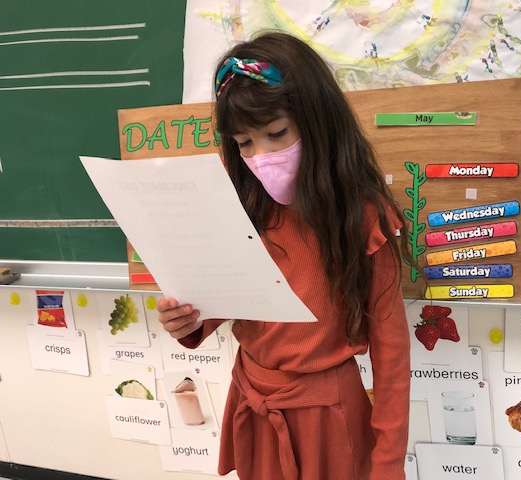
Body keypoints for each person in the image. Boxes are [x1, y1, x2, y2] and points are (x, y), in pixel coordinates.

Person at [157, 31, 411, 480]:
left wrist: (388, 465)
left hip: (328, 420)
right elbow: (229, 299)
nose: (262, 156)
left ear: (317, 121)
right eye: (244, 143)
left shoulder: (364, 216)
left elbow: (392, 359)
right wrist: (189, 322)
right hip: (253, 404)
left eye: (276, 134)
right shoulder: (241, 205)